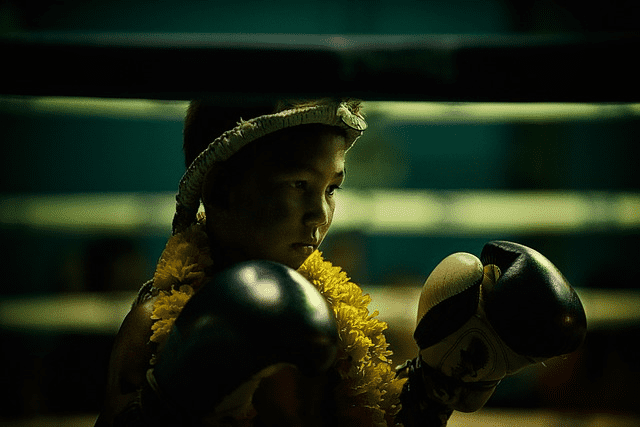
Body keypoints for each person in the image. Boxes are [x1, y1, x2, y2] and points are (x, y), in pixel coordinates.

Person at [96, 98, 587, 427]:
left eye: (331, 189)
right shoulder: (159, 319)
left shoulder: (325, 308)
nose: (319, 213)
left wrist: (437, 386)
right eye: (297, 186)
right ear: (220, 189)